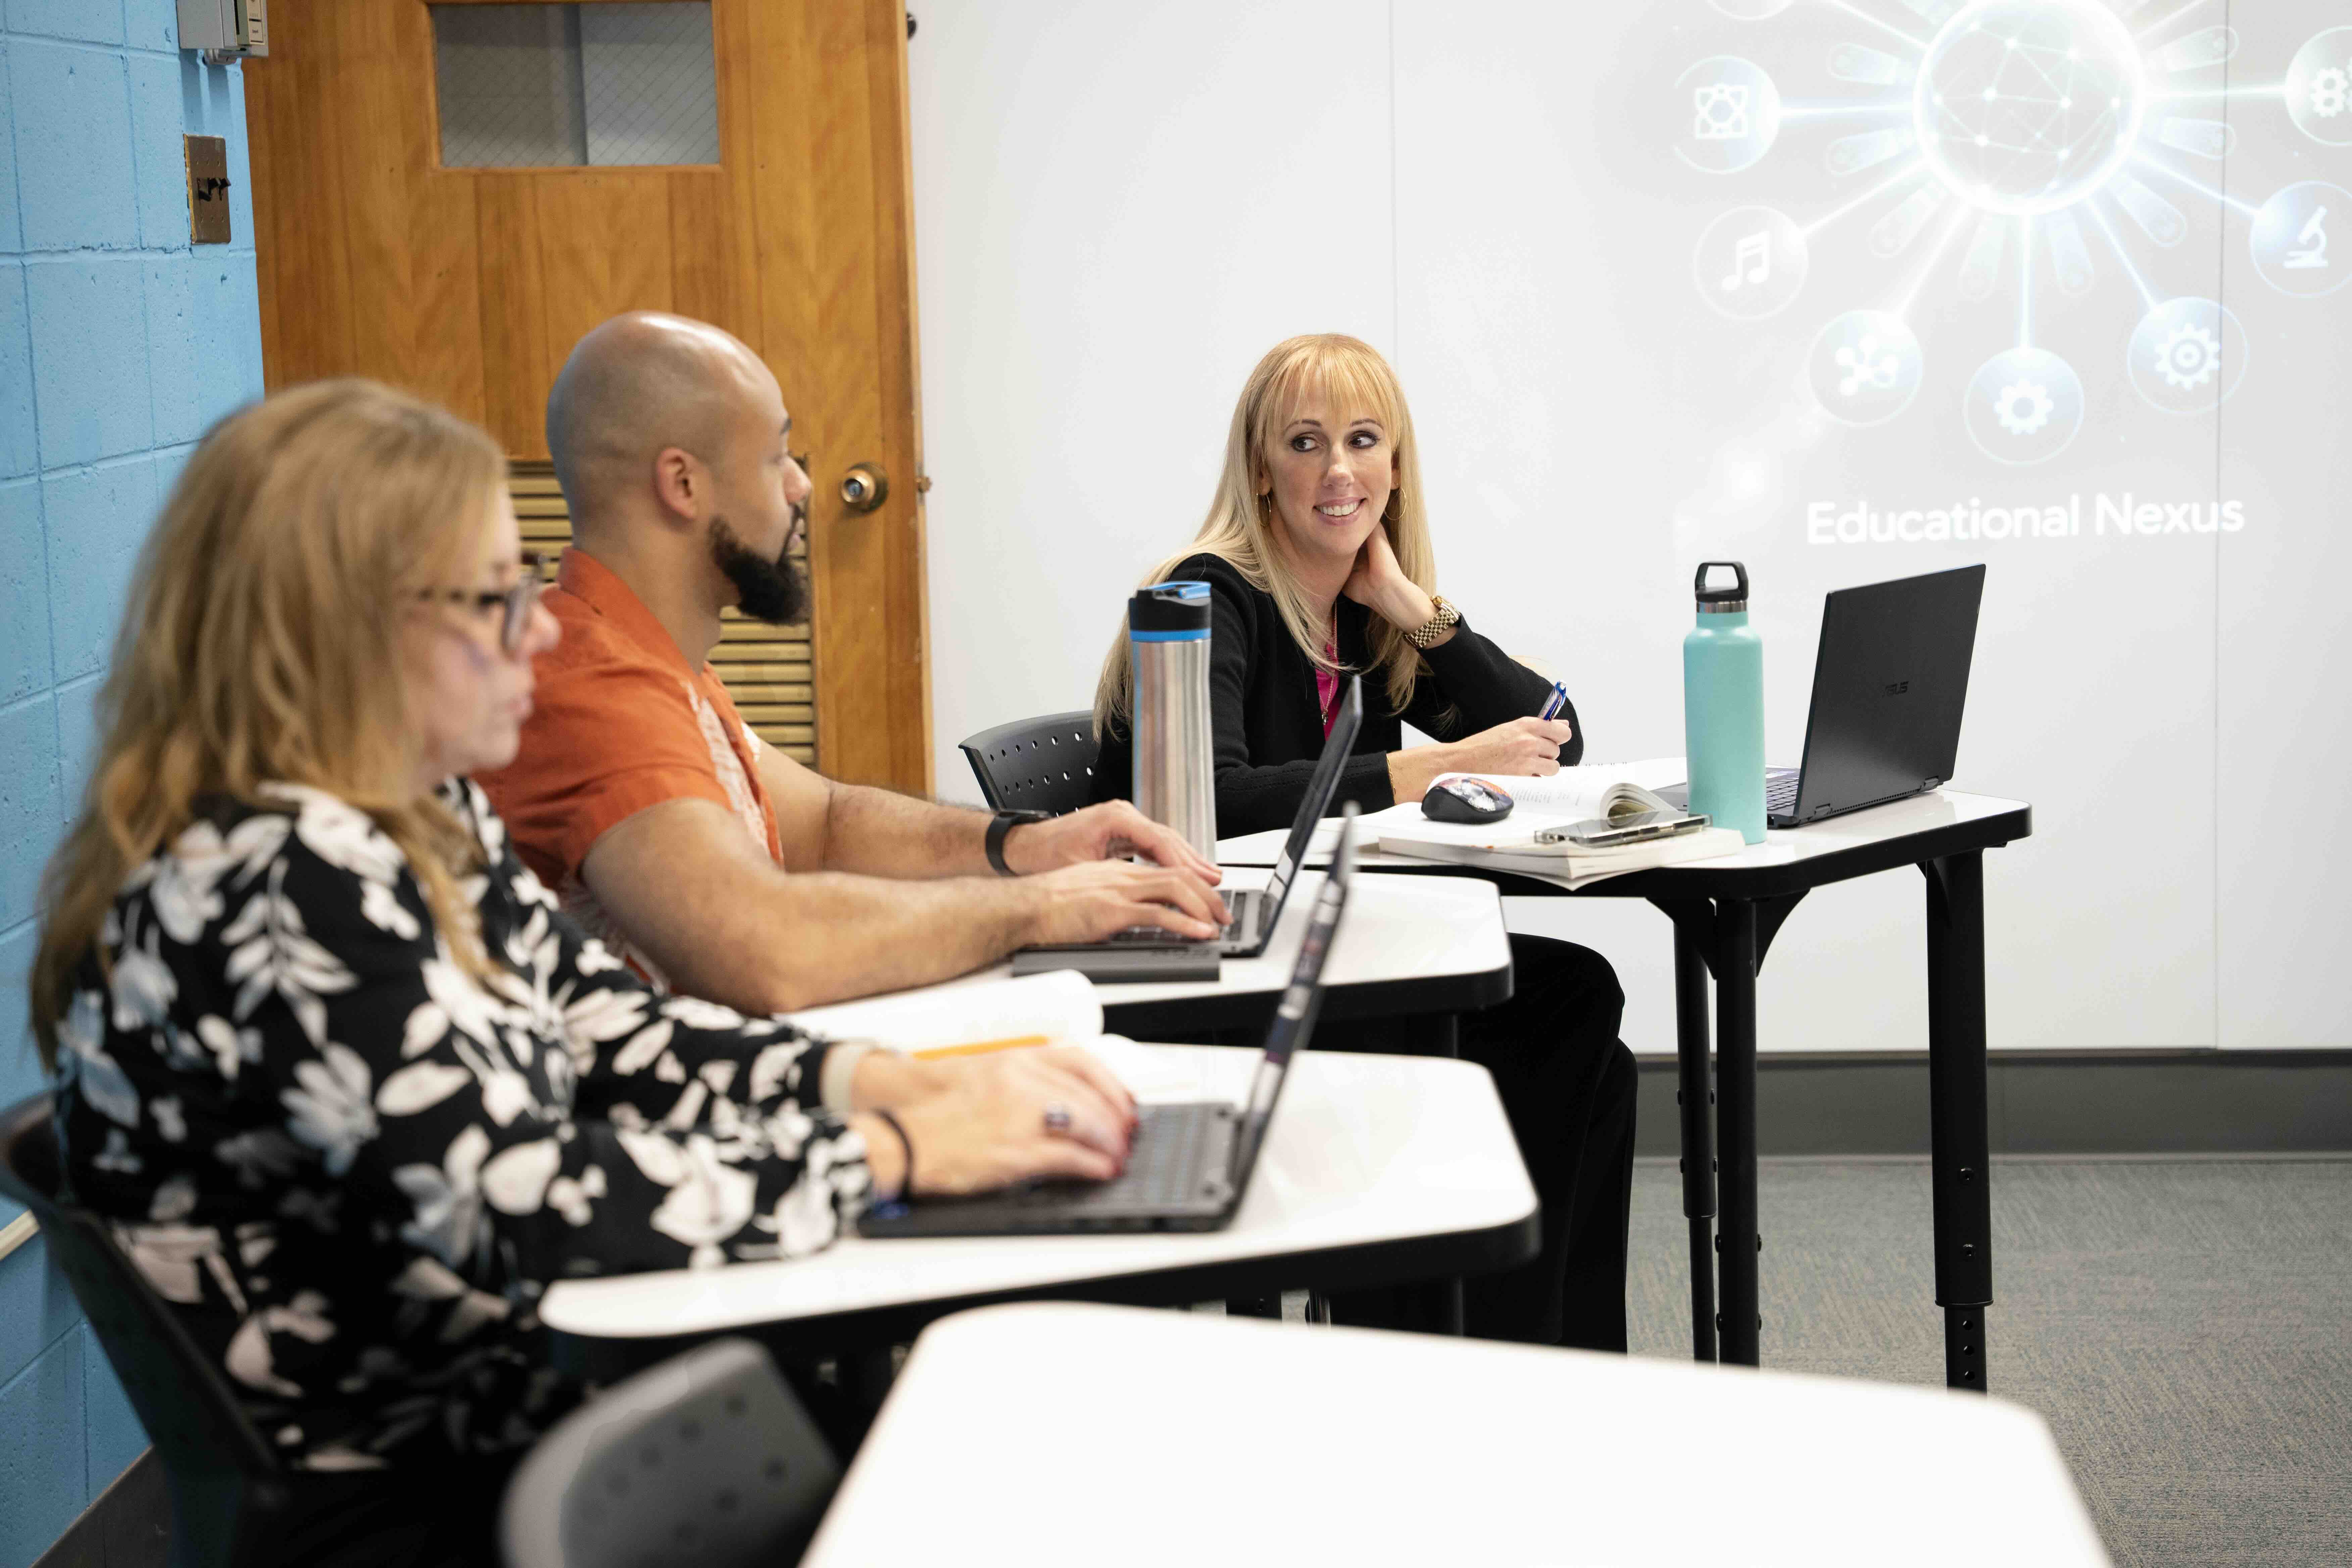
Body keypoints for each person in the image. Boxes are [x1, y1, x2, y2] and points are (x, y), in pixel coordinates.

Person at [28, 381, 1139, 1565]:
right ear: (351, 626)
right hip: (420, 1494)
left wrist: (882, 1086)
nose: (542, 625)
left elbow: (616, 1034)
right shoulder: (275, 877)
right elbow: (528, 1206)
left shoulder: (418, 817)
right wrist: (899, 1154)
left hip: (517, 1416)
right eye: (497, 594)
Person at [1090, 333, 1636, 1350]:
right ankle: (1455, 1339)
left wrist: (1413, 608)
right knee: (1566, 1012)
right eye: (1306, 443)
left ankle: (1540, 1350)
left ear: (1396, 464)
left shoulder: (1359, 612)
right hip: (1228, 978)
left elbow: (1558, 734)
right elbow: (1211, 806)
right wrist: (1431, 766)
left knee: (1589, 1036)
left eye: (1363, 441)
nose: (1339, 471)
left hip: (1330, 950)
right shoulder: (1211, 595)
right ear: (1263, 466)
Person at [476, 312, 1227, 1014]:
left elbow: (829, 823)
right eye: (775, 457)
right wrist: (1044, 907)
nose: (802, 485)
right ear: (682, 484)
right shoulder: (594, 682)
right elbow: (768, 947)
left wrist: (1028, 846)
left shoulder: (651, 658)